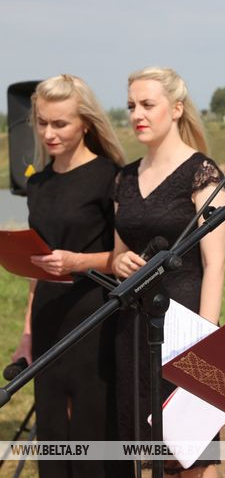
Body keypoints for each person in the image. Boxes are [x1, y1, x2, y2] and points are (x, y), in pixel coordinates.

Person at [10, 74, 131, 477]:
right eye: (42, 122)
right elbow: (37, 263)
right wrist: (27, 333)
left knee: (93, 429)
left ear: (85, 123)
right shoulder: (36, 183)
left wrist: (77, 262)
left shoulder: (111, 176)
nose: (48, 133)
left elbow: (123, 259)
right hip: (48, 316)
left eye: (59, 123)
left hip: (94, 316)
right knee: (54, 432)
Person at [111, 67, 225, 477]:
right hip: (133, 327)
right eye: (131, 106)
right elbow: (118, 253)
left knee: (191, 455)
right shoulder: (124, 177)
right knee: (145, 452)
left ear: (176, 109)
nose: (137, 114)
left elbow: (214, 264)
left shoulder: (203, 173)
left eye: (147, 104)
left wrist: (206, 339)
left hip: (185, 323)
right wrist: (117, 262)